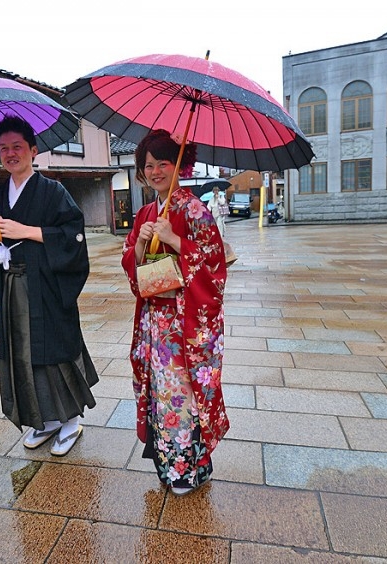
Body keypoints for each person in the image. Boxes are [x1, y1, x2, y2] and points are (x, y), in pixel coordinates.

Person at [0, 115, 98, 456]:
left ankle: (71, 420)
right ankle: (44, 420)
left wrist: (24, 231)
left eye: (17, 146)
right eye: (4, 148)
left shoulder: (52, 191)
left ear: (33, 150)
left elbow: (73, 235)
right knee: (23, 354)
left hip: (46, 286)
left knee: (53, 351)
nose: (11, 153)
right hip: (12, 288)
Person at [120, 129, 230, 495]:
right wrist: (138, 244)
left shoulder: (195, 210)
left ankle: (189, 469)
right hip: (155, 323)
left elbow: (214, 263)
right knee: (159, 393)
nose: (155, 172)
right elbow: (130, 263)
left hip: (185, 324)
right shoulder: (145, 213)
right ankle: (170, 466)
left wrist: (173, 239)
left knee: (181, 394)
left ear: (179, 165)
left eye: (162, 163)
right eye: (148, 165)